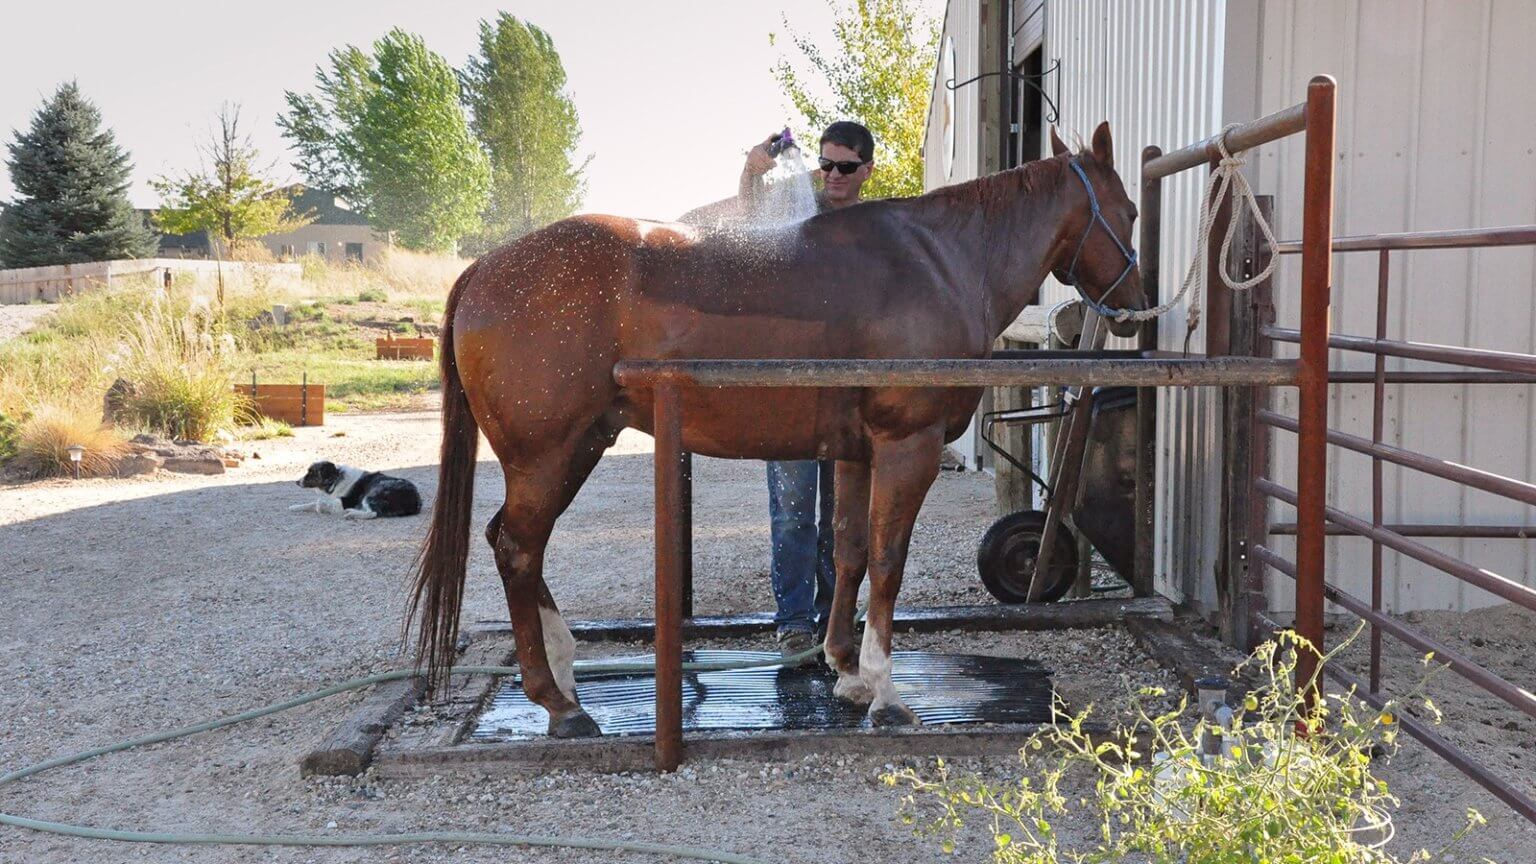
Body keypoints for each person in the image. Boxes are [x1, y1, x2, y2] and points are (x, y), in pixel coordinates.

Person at [738, 120, 877, 659]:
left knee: (845, 515)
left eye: (844, 166)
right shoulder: (800, 208)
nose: (832, 175)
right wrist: (752, 171)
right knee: (793, 510)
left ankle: (834, 617)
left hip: (851, 393)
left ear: (866, 170)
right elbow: (752, 218)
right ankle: (794, 621)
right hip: (796, 388)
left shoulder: (875, 225)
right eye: (825, 164)